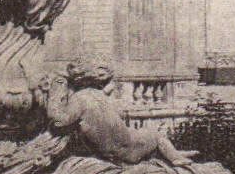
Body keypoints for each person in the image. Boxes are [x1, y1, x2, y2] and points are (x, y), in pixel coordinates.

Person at [39, 62, 196, 166]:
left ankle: (175, 157)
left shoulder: (80, 99)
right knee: (156, 135)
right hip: (126, 147)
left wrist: (56, 89)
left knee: (155, 136)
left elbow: (58, 119)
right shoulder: (100, 97)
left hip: (115, 150)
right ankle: (174, 156)